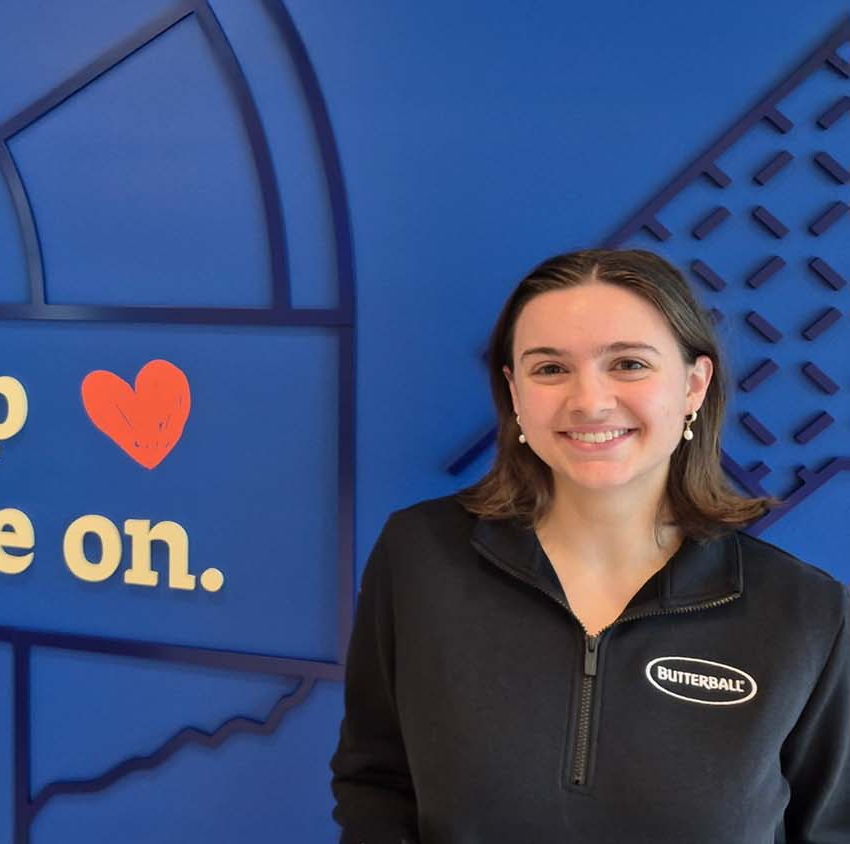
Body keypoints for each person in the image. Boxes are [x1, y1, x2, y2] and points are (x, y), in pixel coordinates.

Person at [330, 249, 850, 843]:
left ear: (694, 385)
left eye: (628, 364)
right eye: (550, 369)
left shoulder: (808, 614)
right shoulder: (420, 555)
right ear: (514, 391)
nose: (589, 401)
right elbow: (375, 782)